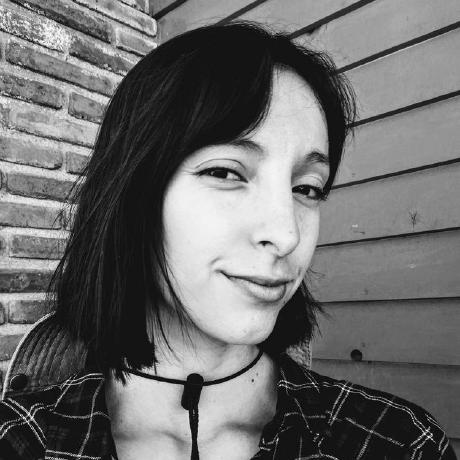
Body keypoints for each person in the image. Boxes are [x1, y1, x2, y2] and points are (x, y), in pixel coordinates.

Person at [0, 21, 456, 460]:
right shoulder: (21, 441)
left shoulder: (395, 443)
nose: (286, 235)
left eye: (307, 188)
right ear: (132, 193)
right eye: (225, 172)